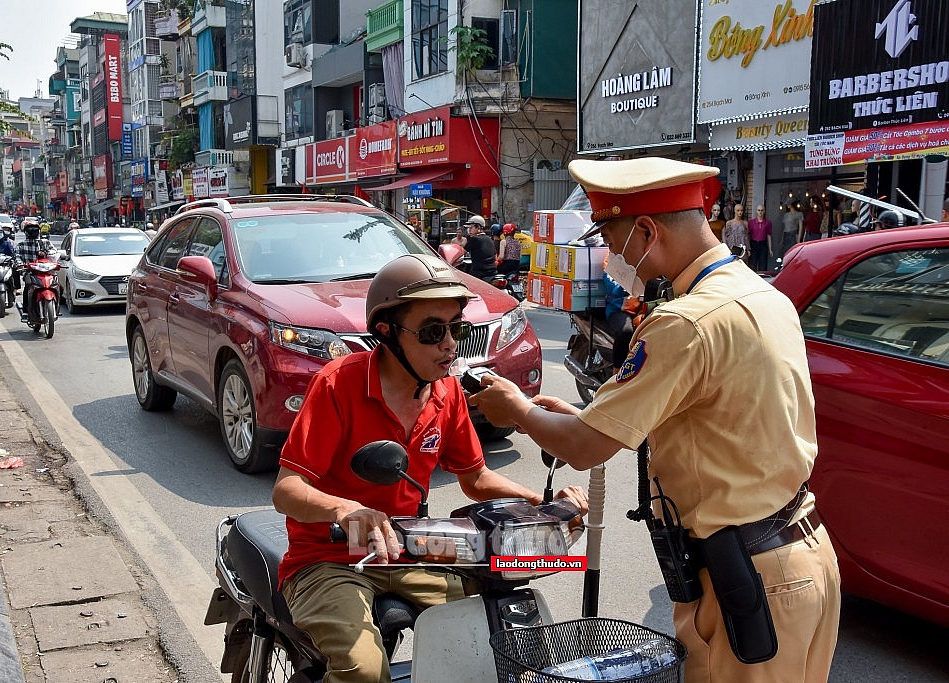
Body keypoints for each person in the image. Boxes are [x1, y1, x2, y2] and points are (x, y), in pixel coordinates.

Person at [468, 157, 840, 683]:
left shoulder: (684, 322)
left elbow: (583, 448)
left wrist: (519, 411)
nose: (615, 260)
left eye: (614, 242)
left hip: (750, 575)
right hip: (799, 558)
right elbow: (710, 418)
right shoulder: (760, 293)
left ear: (646, 230)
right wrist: (584, 417)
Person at [272, 253, 586, 683]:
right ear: (387, 332)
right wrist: (346, 511)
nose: (450, 344)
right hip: (328, 559)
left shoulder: (447, 392)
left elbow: (475, 479)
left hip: (408, 549)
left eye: (456, 329)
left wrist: (545, 505)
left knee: (494, 632)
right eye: (433, 331)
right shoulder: (337, 385)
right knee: (363, 671)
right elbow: (287, 490)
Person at [15, 219, 58, 321]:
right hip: (30, 272)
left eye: (35, 230)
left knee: (56, 285)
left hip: (46, 271)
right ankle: (25, 311)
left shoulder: (45, 243)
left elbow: (54, 252)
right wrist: (20, 264)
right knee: (28, 286)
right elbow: (17, 257)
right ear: (26, 232)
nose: (33, 232)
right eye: (30, 230)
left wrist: (49, 255)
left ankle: (56, 307)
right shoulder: (21, 245)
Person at [463, 215, 497, 280]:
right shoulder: (489, 239)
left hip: (479, 273)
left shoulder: (474, 239)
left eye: (471, 228)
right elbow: (495, 257)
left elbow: (461, 252)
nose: (469, 230)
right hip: (493, 273)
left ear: (478, 227)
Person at [747, 205, 772, 272]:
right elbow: (748, 235)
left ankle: (762, 279)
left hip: (763, 244)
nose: (760, 212)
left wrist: (770, 249)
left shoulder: (768, 223)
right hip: (753, 244)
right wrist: (748, 248)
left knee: (763, 264)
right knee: (753, 264)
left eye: (762, 210)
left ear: (764, 211)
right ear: (756, 211)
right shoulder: (751, 222)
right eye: (758, 210)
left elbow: (769, 236)